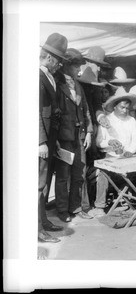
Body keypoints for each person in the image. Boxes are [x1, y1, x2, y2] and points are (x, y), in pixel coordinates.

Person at [54, 48, 94, 222]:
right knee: (63, 175)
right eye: (76, 66)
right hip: (63, 136)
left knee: (80, 173)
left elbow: (85, 110)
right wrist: (54, 138)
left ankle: (76, 207)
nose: (79, 70)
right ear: (67, 65)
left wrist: (89, 132)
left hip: (79, 135)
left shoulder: (78, 85)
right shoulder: (56, 83)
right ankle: (62, 209)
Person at [88, 87, 136, 217]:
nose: (125, 110)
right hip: (110, 156)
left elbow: (135, 141)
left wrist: (129, 151)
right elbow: (99, 142)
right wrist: (109, 143)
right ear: (115, 106)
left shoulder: (131, 120)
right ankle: (100, 206)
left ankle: (130, 201)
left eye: (127, 108)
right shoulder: (107, 120)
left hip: (128, 157)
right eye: (122, 107)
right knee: (104, 174)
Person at [38, 33, 68, 243]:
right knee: (39, 185)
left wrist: (53, 139)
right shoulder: (38, 76)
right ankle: (38, 229)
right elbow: (36, 112)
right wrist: (40, 141)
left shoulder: (49, 75)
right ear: (49, 57)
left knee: (45, 183)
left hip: (50, 139)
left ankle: (43, 222)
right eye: (58, 60)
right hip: (41, 141)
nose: (59, 65)